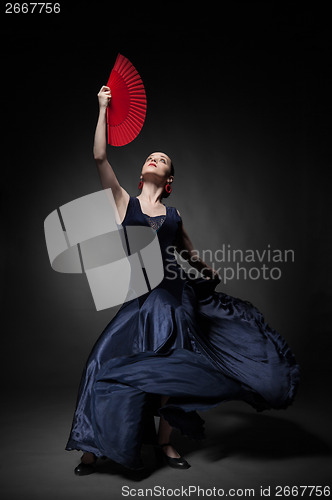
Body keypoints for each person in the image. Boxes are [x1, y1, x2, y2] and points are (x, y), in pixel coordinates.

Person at [65, 85, 300, 476]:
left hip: (173, 299)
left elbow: (187, 254)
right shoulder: (124, 201)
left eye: (162, 160)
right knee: (101, 363)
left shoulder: (174, 216)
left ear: (168, 179)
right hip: (138, 300)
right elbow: (99, 155)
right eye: (150, 157)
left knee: (174, 366)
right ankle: (92, 447)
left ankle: (165, 442)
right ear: (141, 175)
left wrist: (209, 273)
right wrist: (103, 108)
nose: (154, 159)